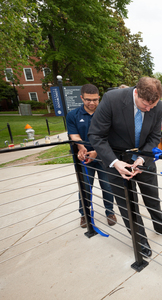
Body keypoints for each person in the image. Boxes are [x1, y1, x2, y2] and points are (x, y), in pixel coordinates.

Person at [88, 77, 162, 258]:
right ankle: (140, 240)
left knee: (152, 197)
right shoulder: (112, 99)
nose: (149, 109)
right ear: (136, 92)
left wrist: (141, 158)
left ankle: (161, 226)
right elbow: (96, 135)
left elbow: (155, 136)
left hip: (143, 158)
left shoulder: (159, 106)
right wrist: (115, 162)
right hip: (116, 160)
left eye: (152, 106)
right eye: (145, 105)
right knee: (127, 204)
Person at [66, 84, 116, 228]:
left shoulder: (106, 113)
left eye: (95, 99)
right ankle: (84, 214)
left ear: (99, 98)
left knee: (107, 186)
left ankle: (110, 212)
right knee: (85, 187)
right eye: (88, 100)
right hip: (84, 158)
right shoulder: (73, 115)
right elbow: (74, 135)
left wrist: (96, 151)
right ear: (82, 97)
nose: (92, 103)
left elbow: (110, 135)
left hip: (103, 157)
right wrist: (81, 148)